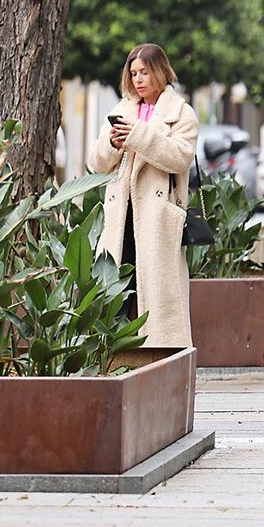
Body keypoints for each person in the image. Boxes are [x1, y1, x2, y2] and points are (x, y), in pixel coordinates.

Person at [90, 43, 201, 348]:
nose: (138, 79)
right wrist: (112, 143)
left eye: (145, 72)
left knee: (157, 293)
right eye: (133, 73)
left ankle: (162, 356)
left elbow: (179, 157)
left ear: (161, 72)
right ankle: (113, 356)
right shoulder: (120, 110)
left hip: (157, 219)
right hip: (120, 217)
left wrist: (138, 135)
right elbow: (96, 164)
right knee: (116, 289)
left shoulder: (181, 114)